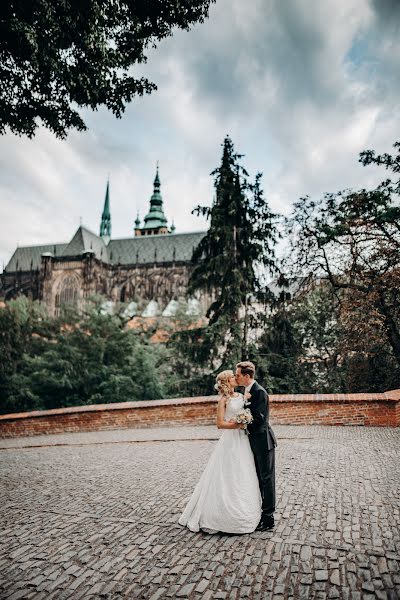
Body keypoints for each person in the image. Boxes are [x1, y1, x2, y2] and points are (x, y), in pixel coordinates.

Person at [178, 369, 262, 534]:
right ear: (226, 382)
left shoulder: (241, 396)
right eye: (232, 377)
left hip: (243, 440)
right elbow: (220, 424)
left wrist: (245, 419)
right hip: (230, 440)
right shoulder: (223, 400)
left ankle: (246, 509)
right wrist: (238, 424)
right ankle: (220, 514)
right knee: (227, 473)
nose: (235, 378)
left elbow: (248, 412)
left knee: (244, 471)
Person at [235, 361, 277, 531]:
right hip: (254, 441)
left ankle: (268, 518)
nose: (236, 377)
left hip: (263, 441)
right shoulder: (247, 391)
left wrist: (242, 421)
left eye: (238, 375)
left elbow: (259, 419)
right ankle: (261, 513)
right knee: (260, 478)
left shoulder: (259, 392)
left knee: (267, 479)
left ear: (247, 376)